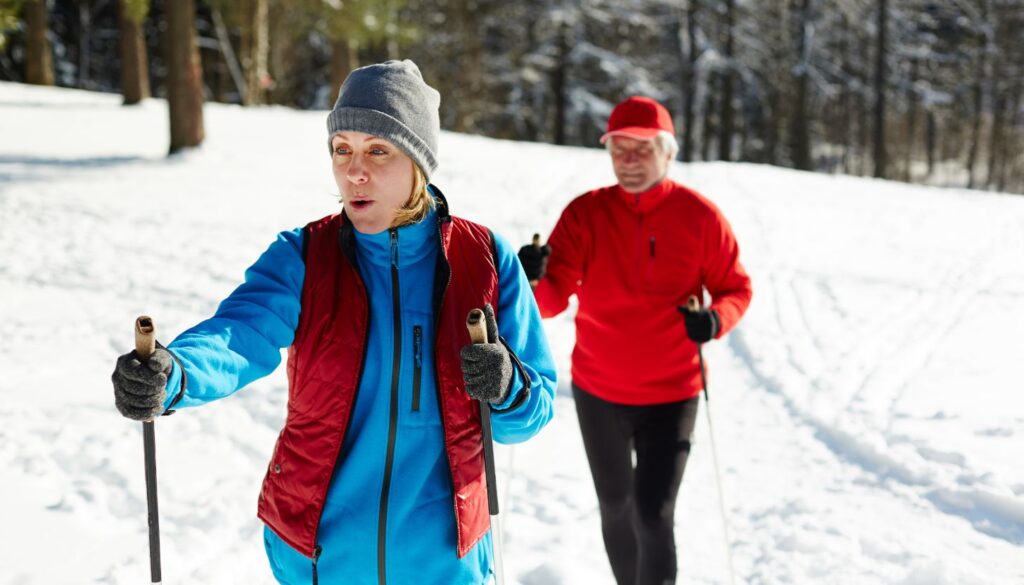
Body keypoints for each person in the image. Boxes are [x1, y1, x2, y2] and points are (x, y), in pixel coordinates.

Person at [111, 59, 557, 585]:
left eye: (378, 150)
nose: (354, 170)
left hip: (444, 561)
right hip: (320, 556)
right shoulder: (305, 255)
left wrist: (507, 386)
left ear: (418, 160)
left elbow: (530, 413)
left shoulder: (482, 258)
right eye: (341, 148)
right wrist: (176, 373)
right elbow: (240, 334)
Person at [520, 96, 752, 585]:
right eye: (618, 149)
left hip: (673, 392)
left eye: (641, 150)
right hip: (598, 390)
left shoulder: (700, 218)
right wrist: (530, 280)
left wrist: (714, 320)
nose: (628, 161)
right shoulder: (585, 214)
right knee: (616, 505)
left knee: (653, 511)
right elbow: (552, 298)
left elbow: (736, 288)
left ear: (668, 154)